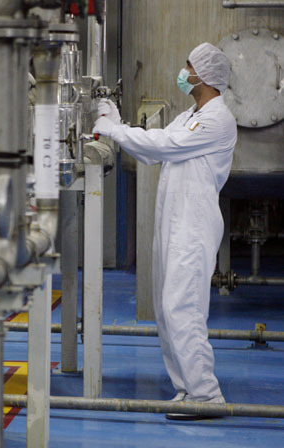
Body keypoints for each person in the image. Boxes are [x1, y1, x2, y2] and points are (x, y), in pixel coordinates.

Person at [93, 42, 236, 420]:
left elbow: (167, 145)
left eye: (188, 64)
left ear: (203, 76)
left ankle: (206, 394)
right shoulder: (191, 113)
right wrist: (118, 126)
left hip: (193, 225)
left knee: (182, 307)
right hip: (172, 222)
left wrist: (115, 130)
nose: (182, 70)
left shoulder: (217, 119)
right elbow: (152, 152)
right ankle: (186, 388)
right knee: (165, 307)